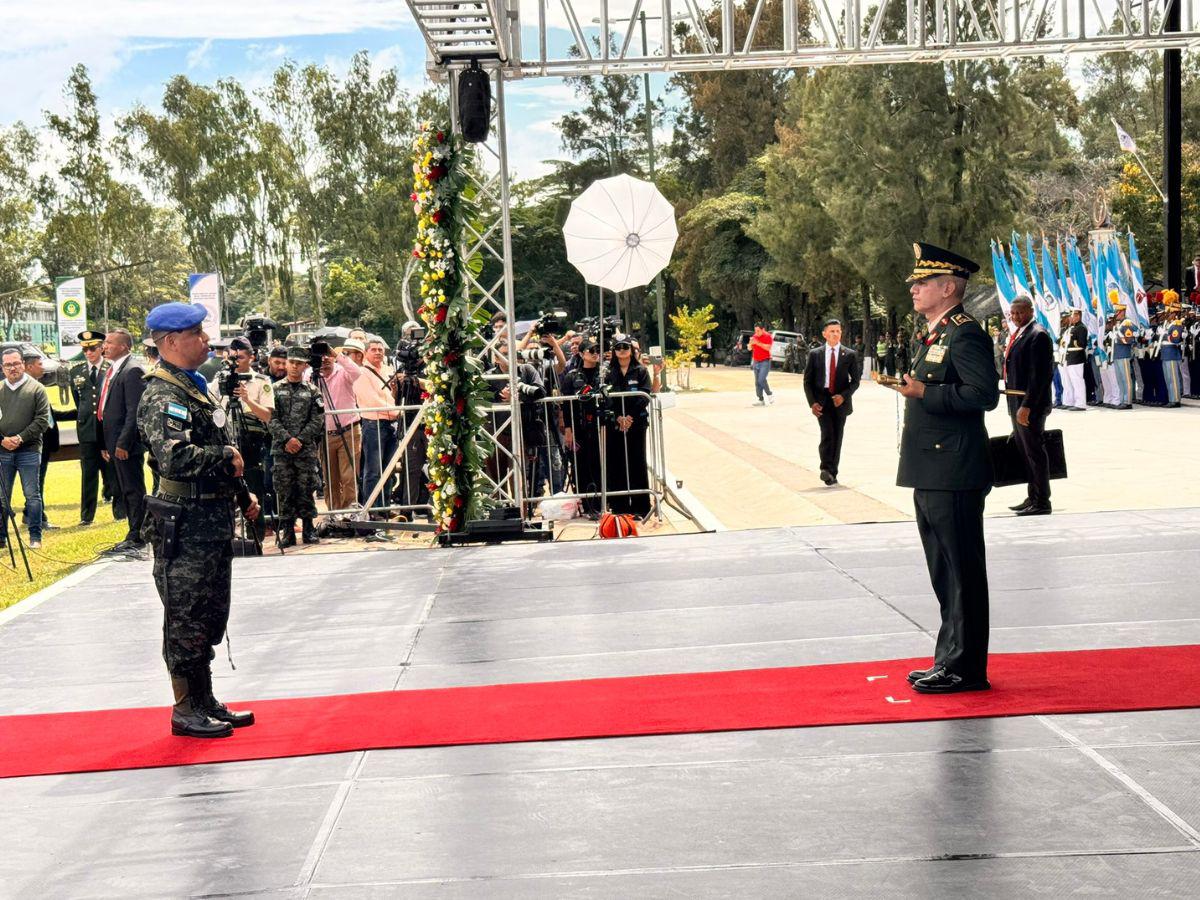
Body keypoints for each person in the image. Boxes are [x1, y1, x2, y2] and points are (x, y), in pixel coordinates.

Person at [138, 302, 258, 738]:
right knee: (185, 615)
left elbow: (220, 445)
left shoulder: (194, 387)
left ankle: (205, 698)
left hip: (210, 518)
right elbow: (175, 457)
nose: (207, 341)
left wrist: (242, 492)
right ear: (171, 342)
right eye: (197, 334)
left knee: (210, 612)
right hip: (184, 524)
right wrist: (225, 456)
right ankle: (185, 707)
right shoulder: (162, 394)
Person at [895, 242, 999, 695]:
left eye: (923, 283)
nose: (915, 289)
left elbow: (984, 395)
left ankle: (966, 667)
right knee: (943, 570)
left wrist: (924, 394)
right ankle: (949, 657)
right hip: (932, 466)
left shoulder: (965, 333)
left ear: (949, 287)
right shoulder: (935, 334)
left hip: (955, 468)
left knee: (962, 570)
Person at [213, 337, 274, 543]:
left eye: (239, 357)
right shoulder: (218, 382)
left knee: (254, 487)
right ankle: (227, 538)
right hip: (227, 441)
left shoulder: (261, 382)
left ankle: (256, 538)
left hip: (252, 442)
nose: (235, 362)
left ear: (251, 357)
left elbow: (267, 416)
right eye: (231, 358)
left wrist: (248, 399)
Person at [1002, 296, 1055, 516]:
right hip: (1017, 402)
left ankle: (1042, 500)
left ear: (1031, 311)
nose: (1015, 317)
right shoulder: (1020, 333)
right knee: (1025, 453)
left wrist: (1027, 406)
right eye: (1013, 313)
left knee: (1035, 452)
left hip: (1029, 405)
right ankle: (1033, 496)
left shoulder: (1038, 335)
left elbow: (1040, 377)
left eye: (1020, 312)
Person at [268, 347, 326, 546]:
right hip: (282, 449)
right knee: (284, 490)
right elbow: (270, 418)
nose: (294, 366)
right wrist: (287, 439)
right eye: (291, 362)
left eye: (298, 363)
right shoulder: (274, 389)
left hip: (305, 449)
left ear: (305, 366)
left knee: (306, 487)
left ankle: (309, 529)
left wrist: (299, 439)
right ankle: (287, 531)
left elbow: (317, 420)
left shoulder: (312, 391)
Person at [99, 327, 148, 552]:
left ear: (124, 346)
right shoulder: (113, 370)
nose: (104, 346)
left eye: (109, 342)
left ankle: (138, 535)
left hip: (125, 445)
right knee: (124, 489)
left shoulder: (132, 370)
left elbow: (134, 411)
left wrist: (122, 443)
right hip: (113, 442)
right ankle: (133, 531)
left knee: (133, 489)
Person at [0, 347, 50, 549]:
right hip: (3, 452)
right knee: (2, 497)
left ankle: (35, 536)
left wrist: (20, 438)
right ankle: (1, 537)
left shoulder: (37, 389)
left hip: (28, 450)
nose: (13, 368)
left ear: (23, 364)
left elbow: (42, 420)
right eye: (8, 365)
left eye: (16, 363)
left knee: (32, 495)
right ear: (2, 368)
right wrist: (2, 440)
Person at [803, 318, 861, 487]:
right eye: (832, 331)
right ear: (824, 334)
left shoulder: (849, 354)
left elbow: (855, 381)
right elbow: (807, 381)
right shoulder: (815, 354)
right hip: (822, 400)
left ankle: (832, 472)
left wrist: (843, 395)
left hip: (840, 402)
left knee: (837, 435)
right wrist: (812, 402)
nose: (835, 334)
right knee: (827, 433)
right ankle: (826, 468)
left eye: (838, 331)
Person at [69, 331, 116, 525]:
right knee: (88, 473)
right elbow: (79, 400)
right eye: (85, 349)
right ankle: (86, 516)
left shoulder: (111, 368)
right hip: (87, 429)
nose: (88, 353)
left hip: (106, 428)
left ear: (101, 348)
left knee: (112, 470)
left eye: (92, 348)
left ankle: (119, 510)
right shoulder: (76, 371)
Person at [604, 335, 653, 516]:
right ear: (614, 352)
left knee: (637, 462)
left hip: (636, 423)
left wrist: (630, 417)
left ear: (631, 350)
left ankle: (641, 507)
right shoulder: (609, 373)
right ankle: (620, 507)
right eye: (618, 348)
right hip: (616, 424)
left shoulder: (640, 371)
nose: (622, 350)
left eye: (625, 347)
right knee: (617, 463)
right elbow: (605, 396)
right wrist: (618, 417)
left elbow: (644, 394)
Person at [314, 342, 362, 512]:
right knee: (330, 478)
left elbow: (357, 372)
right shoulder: (311, 376)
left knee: (349, 477)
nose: (324, 359)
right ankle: (334, 513)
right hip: (324, 435)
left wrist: (336, 354)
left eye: (326, 355)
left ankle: (350, 513)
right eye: (320, 356)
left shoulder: (343, 372)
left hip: (349, 430)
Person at [354, 338, 399, 516]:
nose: (378, 352)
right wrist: (397, 411)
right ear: (365, 353)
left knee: (388, 470)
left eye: (381, 349)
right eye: (373, 349)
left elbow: (391, 396)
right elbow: (371, 400)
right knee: (373, 471)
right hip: (373, 424)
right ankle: (372, 510)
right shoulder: (361, 373)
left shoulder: (388, 370)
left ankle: (385, 509)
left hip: (390, 423)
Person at [563, 338, 604, 516]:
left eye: (597, 350)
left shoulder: (603, 374)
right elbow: (566, 405)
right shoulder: (572, 376)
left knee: (599, 464)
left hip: (598, 426)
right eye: (591, 350)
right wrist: (568, 430)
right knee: (581, 466)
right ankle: (586, 505)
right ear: (581, 354)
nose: (595, 353)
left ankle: (600, 504)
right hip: (579, 427)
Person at [20, 349, 58, 531]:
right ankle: (38, 519)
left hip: (45, 442)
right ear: (29, 367)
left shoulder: (36, 386)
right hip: (33, 444)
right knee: (35, 484)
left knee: (35, 482)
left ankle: (29, 515)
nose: (43, 367)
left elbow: (48, 415)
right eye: (39, 364)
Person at [1059, 309, 1087, 411]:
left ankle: (1080, 403)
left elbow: (1082, 344)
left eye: (1072, 315)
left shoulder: (1081, 328)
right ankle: (1069, 401)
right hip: (1068, 357)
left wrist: (1072, 342)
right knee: (1068, 381)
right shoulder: (1071, 328)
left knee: (1077, 381)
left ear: (1078, 316)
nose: (1070, 318)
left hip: (1076, 357)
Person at [1112, 317, 1136, 409]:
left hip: (1124, 355)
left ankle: (1127, 401)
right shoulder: (1117, 325)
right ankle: (1122, 400)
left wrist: (1118, 337)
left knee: (1126, 379)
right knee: (1120, 380)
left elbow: (1129, 340)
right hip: (1117, 355)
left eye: (1117, 311)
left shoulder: (1127, 324)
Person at [748, 324, 774, 406]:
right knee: (757, 382)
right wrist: (750, 343)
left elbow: (768, 348)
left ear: (763, 329)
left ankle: (769, 394)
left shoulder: (768, 336)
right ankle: (761, 400)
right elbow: (749, 348)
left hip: (765, 361)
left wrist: (758, 343)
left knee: (761, 379)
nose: (756, 333)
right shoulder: (754, 336)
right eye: (755, 331)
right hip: (756, 361)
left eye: (758, 331)